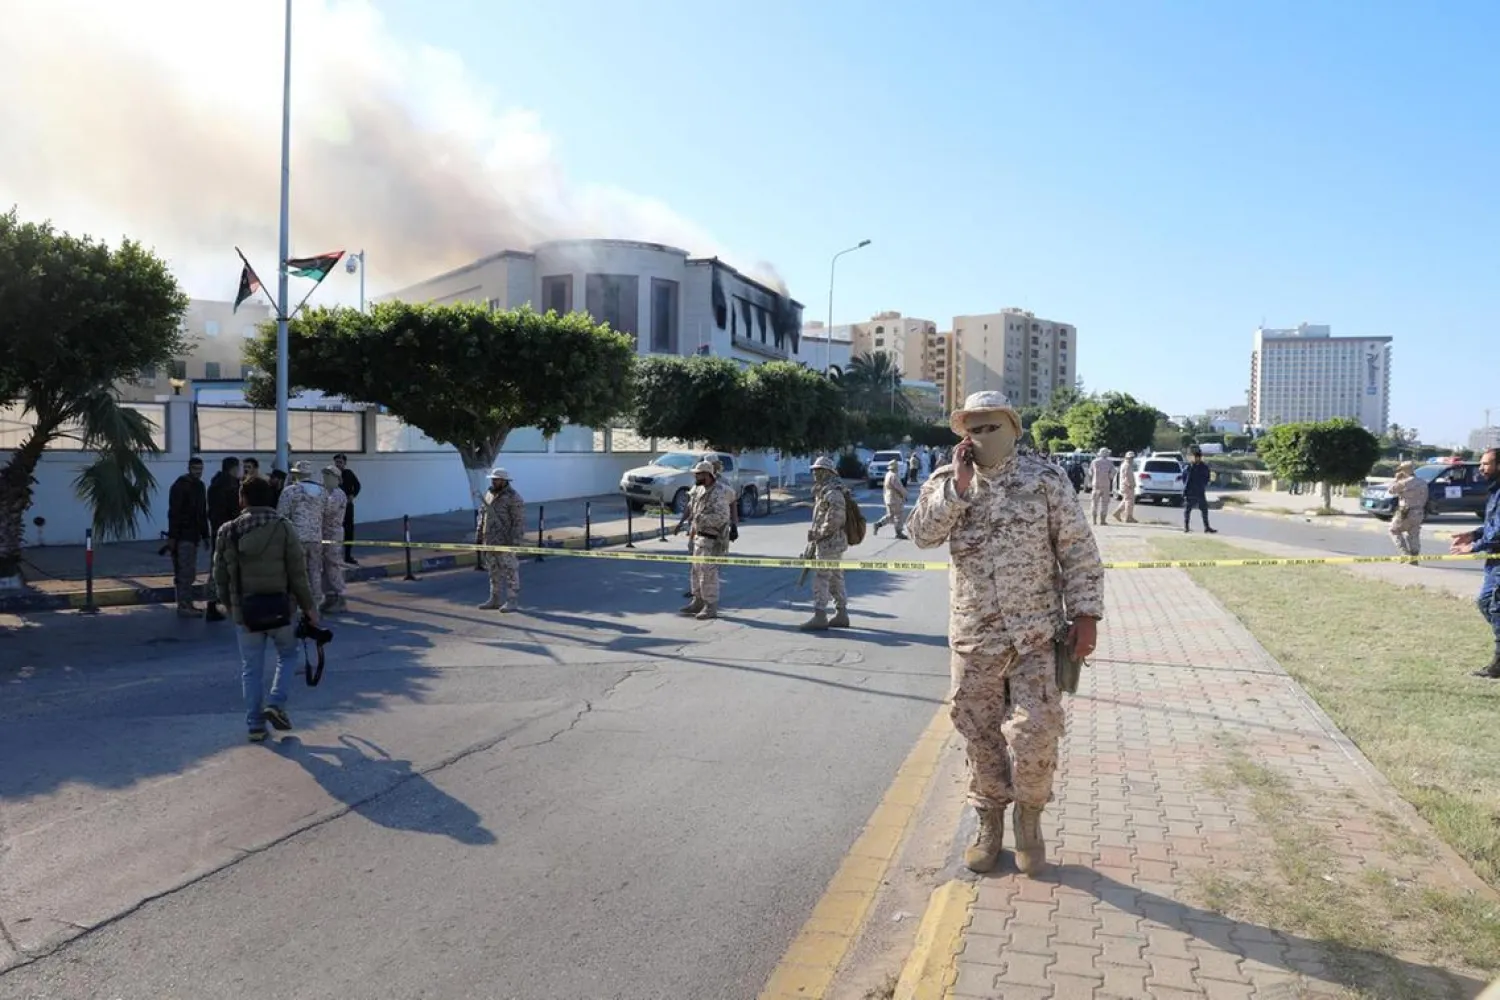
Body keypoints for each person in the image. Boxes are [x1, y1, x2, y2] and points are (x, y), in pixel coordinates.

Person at [908, 391, 1105, 876]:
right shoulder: (947, 480)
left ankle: (1030, 819)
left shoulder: (1045, 480)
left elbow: (1077, 549)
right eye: (972, 428)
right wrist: (958, 487)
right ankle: (990, 823)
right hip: (975, 636)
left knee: (1036, 731)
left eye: (991, 426)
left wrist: (1086, 615)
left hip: (1036, 635)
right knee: (979, 734)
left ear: (1014, 428)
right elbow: (921, 534)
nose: (980, 437)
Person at [212, 475, 322, 743]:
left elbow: (220, 575)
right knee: (287, 655)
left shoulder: (228, 531)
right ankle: (276, 702)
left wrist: (229, 605)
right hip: (281, 609)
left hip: (246, 613)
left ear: (243, 499)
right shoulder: (284, 528)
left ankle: (255, 726)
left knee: (251, 669)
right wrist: (310, 608)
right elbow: (298, 574)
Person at [1448, 448, 1500, 678]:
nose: (1481, 468)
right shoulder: (1495, 491)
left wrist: (1474, 547)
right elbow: (1491, 526)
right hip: (1493, 560)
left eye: (1486, 464)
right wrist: (1474, 534)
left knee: (1494, 605)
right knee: (1486, 602)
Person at [801, 456, 852, 631]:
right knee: (835, 577)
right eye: (814, 470)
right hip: (829, 543)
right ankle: (841, 614)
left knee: (822, 578)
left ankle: (820, 615)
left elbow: (835, 520)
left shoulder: (833, 493)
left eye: (818, 471)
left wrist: (818, 534)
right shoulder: (824, 491)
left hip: (829, 543)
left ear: (826, 472)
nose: (815, 474)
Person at [680, 461, 732, 620]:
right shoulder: (700, 490)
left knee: (708, 574)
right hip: (699, 537)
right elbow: (692, 509)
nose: (695, 476)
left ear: (707, 475)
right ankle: (697, 600)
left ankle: (710, 606)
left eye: (698, 474)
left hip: (712, 539)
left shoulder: (719, 492)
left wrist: (701, 518)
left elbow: (722, 517)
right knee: (696, 571)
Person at [166, 457, 211, 618]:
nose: (198, 473)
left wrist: (205, 535)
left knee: (188, 572)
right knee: (184, 572)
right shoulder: (180, 486)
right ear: (189, 468)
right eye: (195, 469)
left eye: (200, 469)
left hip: (193, 535)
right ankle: (184, 605)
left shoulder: (200, 486)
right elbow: (174, 513)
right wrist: (173, 537)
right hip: (182, 535)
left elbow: (202, 513)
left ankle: (187, 603)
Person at [477, 467, 525, 612]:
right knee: (493, 571)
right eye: (493, 479)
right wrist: (479, 533)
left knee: (510, 571)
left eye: (497, 479)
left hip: (506, 540)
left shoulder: (513, 497)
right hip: (490, 540)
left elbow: (519, 521)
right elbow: (482, 514)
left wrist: (515, 540)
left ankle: (512, 600)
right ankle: (495, 598)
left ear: (504, 481)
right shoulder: (489, 494)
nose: (494, 481)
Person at [277, 461, 326, 599]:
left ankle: (298, 602)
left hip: (296, 539)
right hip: (316, 538)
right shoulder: (322, 492)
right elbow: (325, 512)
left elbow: (281, 516)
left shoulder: (290, 491)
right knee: (315, 571)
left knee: (297, 572)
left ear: (296, 474)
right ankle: (315, 601)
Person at [204, 456, 244, 622]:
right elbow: (236, 511)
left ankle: (212, 604)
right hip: (231, 532)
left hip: (217, 531)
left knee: (216, 567)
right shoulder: (232, 486)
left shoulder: (214, 484)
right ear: (234, 468)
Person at [319, 467, 349, 613]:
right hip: (322, 533)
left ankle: (341, 596)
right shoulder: (324, 492)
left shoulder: (338, 494)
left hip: (333, 534)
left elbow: (326, 509)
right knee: (323, 567)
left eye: (329, 476)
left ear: (337, 478)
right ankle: (329, 596)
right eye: (325, 475)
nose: (325, 478)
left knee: (333, 565)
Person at [1385, 461, 1429, 561]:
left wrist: (1396, 479)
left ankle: (1405, 554)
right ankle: (1414, 556)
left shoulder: (1404, 482)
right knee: (1414, 534)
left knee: (1394, 530)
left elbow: (1391, 490)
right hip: (1419, 511)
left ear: (1404, 470)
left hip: (1406, 511)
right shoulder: (1422, 482)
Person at [333, 453, 361, 565]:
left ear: (345, 463)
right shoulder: (332, 474)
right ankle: (335, 556)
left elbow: (357, 485)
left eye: (340, 462)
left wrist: (352, 495)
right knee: (335, 530)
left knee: (348, 530)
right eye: (336, 462)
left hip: (347, 506)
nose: (338, 464)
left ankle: (348, 555)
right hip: (335, 506)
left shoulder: (348, 473)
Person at [1182, 446, 1217, 533]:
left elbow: (1207, 477)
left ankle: (1206, 527)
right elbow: (1184, 477)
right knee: (1188, 510)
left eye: (1199, 457)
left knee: (1204, 509)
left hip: (1200, 491)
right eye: (1196, 457)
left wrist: (1203, 484)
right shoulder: (1189, 467)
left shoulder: (1204, 467)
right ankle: (1186, 526)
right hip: (1190, 491)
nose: (1197, 459)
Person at [873, 457, 909, 538]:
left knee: (890, 515)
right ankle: (899, 532)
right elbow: (899, 487)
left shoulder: (887, 474)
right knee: (899, 515)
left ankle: (878, 524)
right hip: (895, 498)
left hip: (888, 498)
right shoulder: (894, 476)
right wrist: (905, 494)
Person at [1088, 448, 1114, 525]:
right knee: (1104, 503)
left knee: (1094, 502)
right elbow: (1113, 472)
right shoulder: (1109, 462)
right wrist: (1109, 477)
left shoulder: (1094, 462)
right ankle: (1102, 520)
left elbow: (1090, 472)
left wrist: (1091, 480)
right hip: (1105, 485)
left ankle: (1094, 520)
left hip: (1096, 484)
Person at [1111, 452, 1138, 523]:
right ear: (1126, 457)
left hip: (1126, 485)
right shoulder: (1127, 465)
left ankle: (1117, 513)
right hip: (1127, 486)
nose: (1131, 459)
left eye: (1132, 458)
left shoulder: (1127, 465)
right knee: (1129, 502)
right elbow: (1126, 476)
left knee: (1126, 500)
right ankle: (1128, 517)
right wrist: (1130, 485)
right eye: (1130, 458)